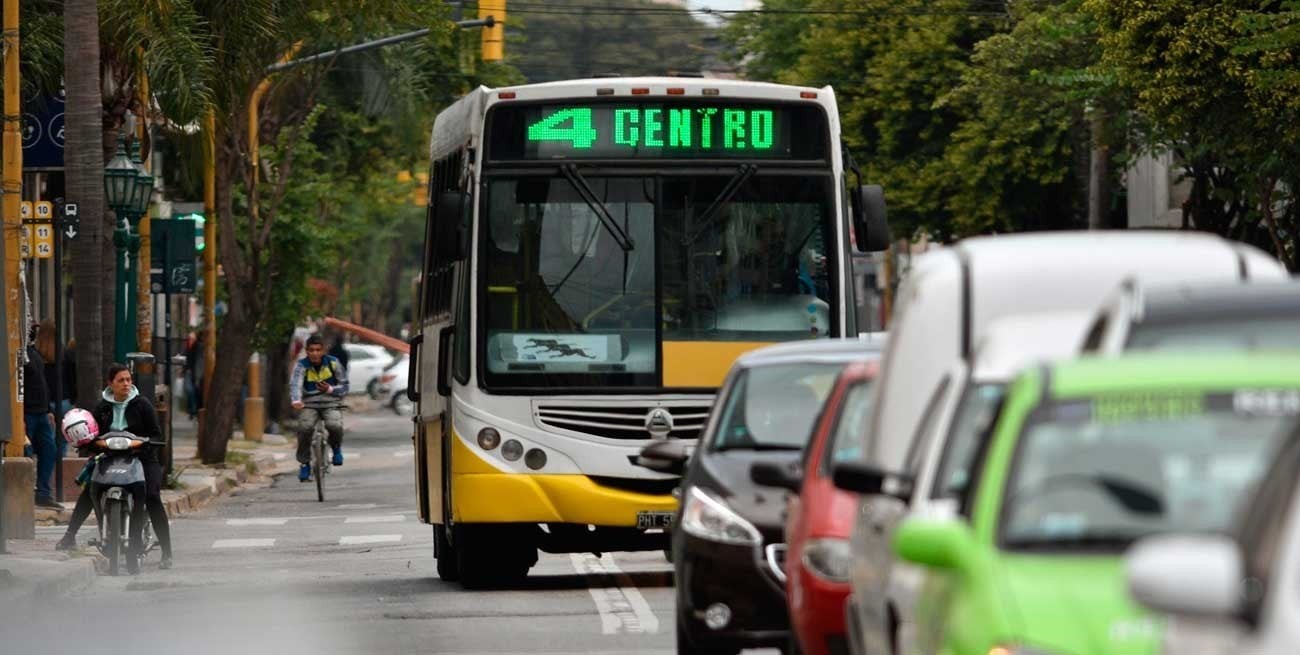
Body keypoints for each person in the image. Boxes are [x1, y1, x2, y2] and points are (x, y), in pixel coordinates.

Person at [92, 364, 173, 572]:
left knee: (152, 496)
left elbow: (156, 434)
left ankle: (166, 551)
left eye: (129, 379)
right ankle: (83, 536)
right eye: (121, 380)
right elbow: (93, 433)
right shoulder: (102, 407)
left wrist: (142, 442)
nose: (126, 384)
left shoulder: (142, 404)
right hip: (112, 458)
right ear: (110, 384)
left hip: (144, 458)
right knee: (90, 488)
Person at [290, 334, 349, 482]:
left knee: (334, 425)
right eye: (311, 350)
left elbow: (345, 386)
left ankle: (336, 448)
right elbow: (295, 384)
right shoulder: (302, 365)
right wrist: (296, 400)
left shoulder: (333, 363)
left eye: (318, 350)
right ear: (307, 351)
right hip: (309, 404)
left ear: (324, 351)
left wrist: (330, 390)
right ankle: (304, 463)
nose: (315, 353)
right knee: (305, 427)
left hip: (331, 403)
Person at [24, 324, 59, 509]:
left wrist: (47, 410)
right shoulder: (20, 354)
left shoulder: (33, 353)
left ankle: (43, 493)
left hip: (40, 413)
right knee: (26, 453)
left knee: (49, 450)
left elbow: (41, 383)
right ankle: (25, 493)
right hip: (27, 413)